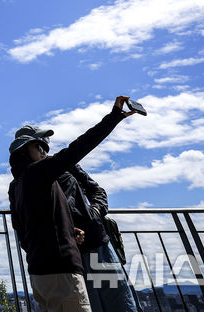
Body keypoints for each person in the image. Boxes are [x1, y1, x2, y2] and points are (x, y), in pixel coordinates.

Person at [8, 96, 135, 312]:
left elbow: (22, 229)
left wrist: (69, 230)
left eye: (46, 147)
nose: (44, 151)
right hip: (63, 268)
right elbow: (79, 147)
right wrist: (114, 117)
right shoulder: (42, 171)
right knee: (112, 304)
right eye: (39, 146)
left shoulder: (16, 184)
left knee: (114, 300)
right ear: (25, 149)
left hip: (45, 269)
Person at [57, 165, 138, 311]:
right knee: (89, 303)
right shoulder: (32, 175)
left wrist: (95, 211)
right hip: (71, 253)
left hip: (98, 243)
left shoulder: (67, 164)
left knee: (119, 301)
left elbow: (97, 190)